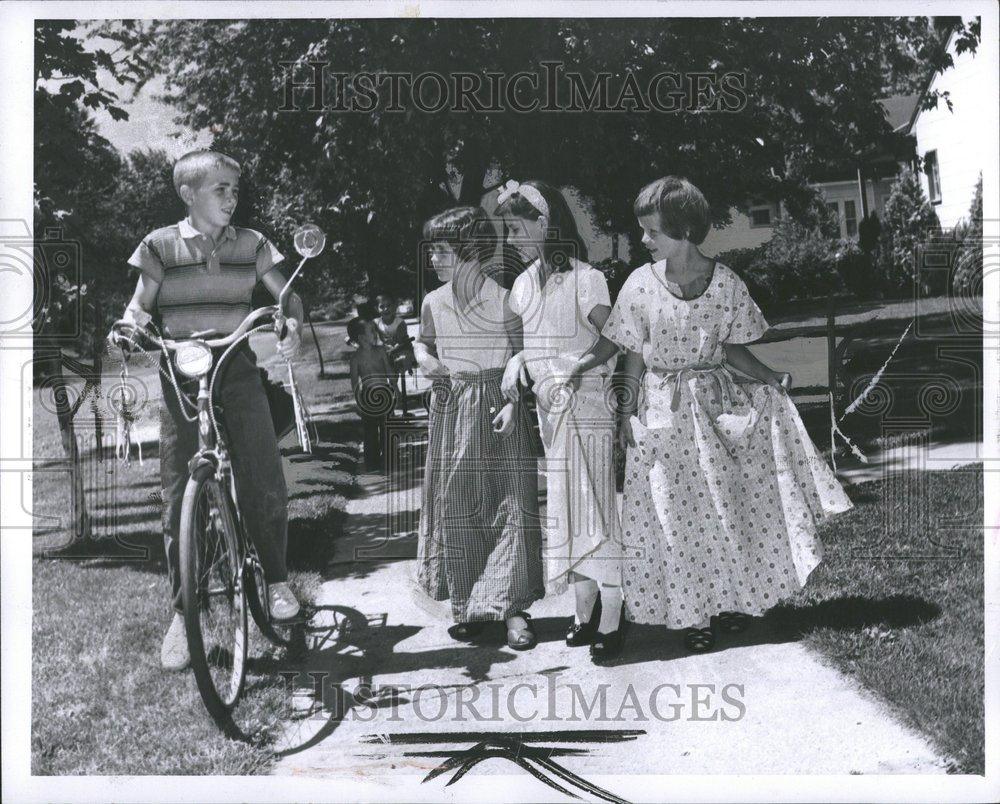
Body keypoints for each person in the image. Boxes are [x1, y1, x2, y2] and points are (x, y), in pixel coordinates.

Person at [569, 176, 853, 653]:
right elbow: (633, 353)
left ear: (682, 231)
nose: (643, 240)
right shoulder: (640, 284)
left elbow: (733, 349)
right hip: (662, 411)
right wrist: (626, 411)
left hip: (714, 410)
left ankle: (728, 600)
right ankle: (693, 614)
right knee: (673, 515)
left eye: (651, 232)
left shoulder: (725, 284)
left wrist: (768, 376)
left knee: (723, 510)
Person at [111, 149, 303, 672]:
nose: (231, 198)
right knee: (178, 495)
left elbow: (285, 294)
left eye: (235, 190)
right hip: (180, 370)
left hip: (235, 364)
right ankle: (183, 615)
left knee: (262, 472)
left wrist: (291, 323)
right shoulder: (158, 245)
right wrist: (127, 328)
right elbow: (139, 303)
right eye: (220, 189)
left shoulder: (253, 243)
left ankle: (279, 581)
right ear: (188, 194)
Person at [496, 180, 625, 663]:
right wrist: (517, 364)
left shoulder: (586, 278)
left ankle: (613, 610)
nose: (509, 239)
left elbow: (615, 339)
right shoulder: (524, 284)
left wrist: (575, 364)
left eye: (515, 227)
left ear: (544, 223)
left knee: (593, 506)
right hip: (551, 413)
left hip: (588, 408)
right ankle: (585, 605)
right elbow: (527, 343)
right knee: (570, 510)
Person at [413, 205, 544, 650]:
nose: (433, 258)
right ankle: (469, 603)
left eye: (442, 250)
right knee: (459, 507)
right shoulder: (433, 301)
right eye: (432, 251)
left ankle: (514, 612)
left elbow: (521, 355)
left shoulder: (504, 299)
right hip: (451, 409)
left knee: (509, 505)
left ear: (470, 252)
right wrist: (427, 362)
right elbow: (423, 345)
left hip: (497, 408)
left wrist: (513, 401)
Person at [348, 316, 394, 472]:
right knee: (370, 431)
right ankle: (372, 463)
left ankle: (389, 460)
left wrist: (396, 389)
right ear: (361, 338)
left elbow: (389, 372)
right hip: (368, 396)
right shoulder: (355, 359)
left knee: (388, 428)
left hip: (385, 393)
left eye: (375, 330)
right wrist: (359, 402)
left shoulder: (380, 351)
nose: (375, 333)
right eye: (371, 331)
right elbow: (355, 383)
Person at [374, 292, 417, 418]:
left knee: (395, 363)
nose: (386, 309)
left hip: (400, 349)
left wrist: (391, 349)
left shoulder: (399, 323)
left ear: (394, 307)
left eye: (389, 306)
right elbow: (374, 338)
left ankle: (395, 391)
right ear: (377, 309)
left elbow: (401, 341)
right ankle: (389, 407)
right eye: (382, 306)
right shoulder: (376, 323)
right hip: (385, 352)